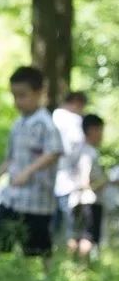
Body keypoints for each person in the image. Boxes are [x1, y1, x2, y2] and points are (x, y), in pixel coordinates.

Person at [0, 67, 64, 272]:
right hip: (13, 195)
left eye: (22, 95)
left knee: (39, 245)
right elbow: (11, 158)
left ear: (39, 93)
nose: (17, 101)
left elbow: (53, 152)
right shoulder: (18, 124)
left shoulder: (46, 124)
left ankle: (47, 278)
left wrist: (28, 171)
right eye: (14, 96)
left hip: (37, 199)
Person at [68, 114, 109, 261]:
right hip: (90, 199)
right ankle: (82, 269)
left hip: (75, 199)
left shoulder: (75, 150)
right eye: (100, 130)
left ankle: (71, 266)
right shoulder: (89, 152)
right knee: (88, 237)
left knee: (75, 235)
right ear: (92, 130)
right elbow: (85, 180)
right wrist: (103, 182)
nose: (102, 135)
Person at [52, 91, 89, 241]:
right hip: (67, 177)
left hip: (54, 175)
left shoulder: (54, 117)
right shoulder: (72, 120)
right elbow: (77, 148)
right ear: (76, 102)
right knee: (68, 218)